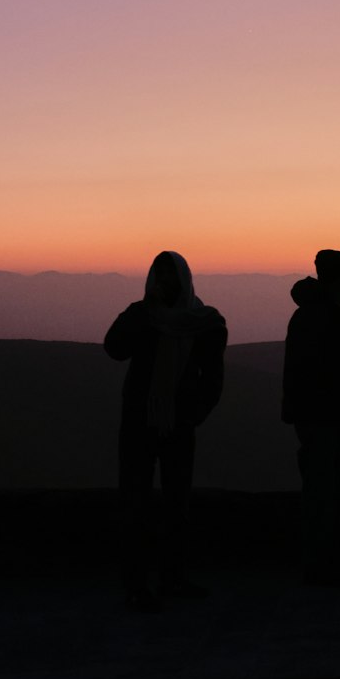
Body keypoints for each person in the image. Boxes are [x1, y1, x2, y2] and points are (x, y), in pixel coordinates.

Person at [104, 251, 227, 611]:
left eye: (168, 276)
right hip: (139, 423)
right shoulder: (142, 316)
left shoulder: (205, 322)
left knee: (177, 505)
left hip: (178, 424)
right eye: (158, 276)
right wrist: (143, 311)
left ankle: (172, 577)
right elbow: (115, 348)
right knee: (135, 503)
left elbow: (212, 378)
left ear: (183, 279)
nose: (163, 283)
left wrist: (192, 415)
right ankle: (136, 584)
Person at [281, 249, 340, 582]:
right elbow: (327, 370)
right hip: (320, 416)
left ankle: (330, 559)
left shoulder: (324, 313)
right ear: (337, 276)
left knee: (330, 487)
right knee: (322, 489)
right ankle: (321, 563)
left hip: (324, 415)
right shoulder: (320, 316)